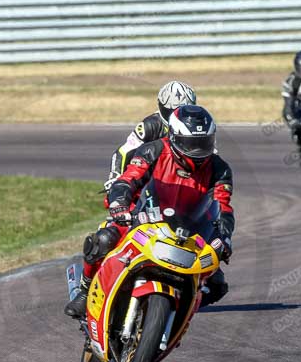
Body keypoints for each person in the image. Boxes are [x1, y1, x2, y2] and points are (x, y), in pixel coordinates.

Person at [65, 105, 235, 319]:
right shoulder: (153, 150)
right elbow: (128, 179)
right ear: (175, 137)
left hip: (190, 230)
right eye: (192, 143)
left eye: (203, 142)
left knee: (217, 284)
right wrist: (119, 203)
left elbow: (224, 207)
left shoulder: (220, 168)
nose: (198, 150)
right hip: (145, 216)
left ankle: (176, 313)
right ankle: (85, 290)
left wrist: (225, 237)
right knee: (104, 239)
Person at [103, 81, 197, 191]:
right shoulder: (150, 125)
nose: (177, 116)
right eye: (172, 111)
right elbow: (123, 152)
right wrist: (115, 178)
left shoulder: (198, 125)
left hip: (188, 179)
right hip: (154, 182)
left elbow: (211, 153)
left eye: (182, 112)